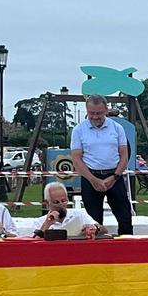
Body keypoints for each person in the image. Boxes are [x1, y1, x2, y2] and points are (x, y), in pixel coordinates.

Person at [70, 94, 133, 236]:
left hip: (114, 176)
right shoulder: (79, 130)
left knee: (125, 217)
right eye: (91, 113)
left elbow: (124, 155)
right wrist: (93, 180)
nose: (95, 117)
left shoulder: (117, 128)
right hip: (90, 177)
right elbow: (77, 159)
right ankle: (95, 253)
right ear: (86, 110)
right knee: (93, 222)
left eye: (99, 113)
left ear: (106, 110)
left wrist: (115, 176)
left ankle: (128, 248)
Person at [34, 182, 98, 237]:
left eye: (63, 201)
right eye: (56, 202)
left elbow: (102, 229)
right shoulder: (40, 222)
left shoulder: (80, 215)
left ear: (67, 199)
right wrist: (47, 224)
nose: (61, 205)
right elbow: (34, 244)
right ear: (47, 203)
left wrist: (93, 229)